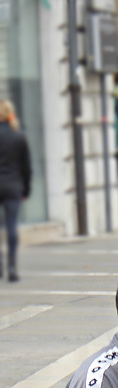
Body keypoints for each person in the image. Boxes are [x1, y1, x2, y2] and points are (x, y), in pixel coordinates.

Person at [0, 99, 31, 282]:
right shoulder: (18, 136)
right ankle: (11, 266)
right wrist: (26, 189)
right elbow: (26, 167)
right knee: (11, 226)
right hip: (13, 186)